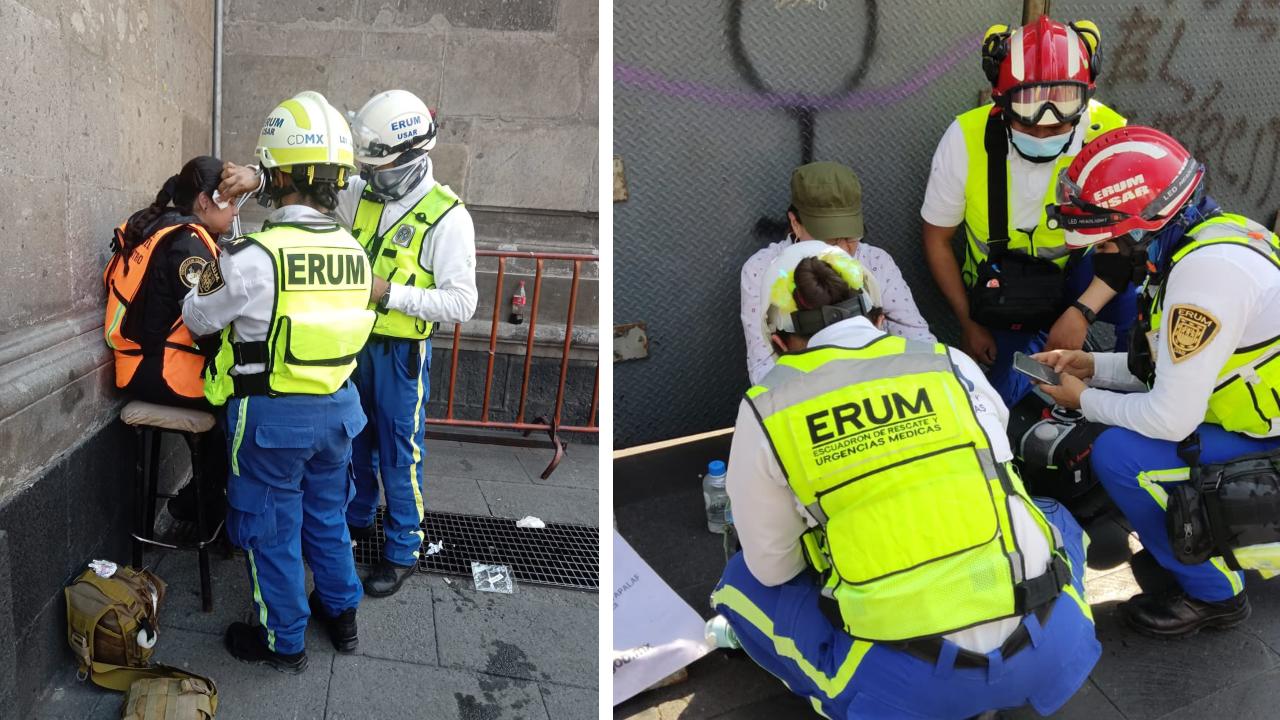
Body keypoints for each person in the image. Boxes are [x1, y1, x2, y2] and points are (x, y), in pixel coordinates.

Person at [714, 241, 1100, 718]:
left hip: (910, 689)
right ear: (878, 317)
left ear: (778, 343)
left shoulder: (767, 408)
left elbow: (774, 568)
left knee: (740, 584)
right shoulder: (949, 363)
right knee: (1052, 515)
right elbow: (994, 443)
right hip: (1048, 652)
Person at [218, 90, 478, 598]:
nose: (367, 178)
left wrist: (389, 294)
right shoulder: (364, 191)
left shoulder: (448, 218)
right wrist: (260, 174)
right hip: (350, 343)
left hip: (401, 355)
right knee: (353, 442)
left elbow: (462, 303)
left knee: (400, 455)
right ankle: (356, 523)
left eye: (379, 168)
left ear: (413, 155)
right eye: (366, 167)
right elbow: (316, 174)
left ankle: (404, 548)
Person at [1034, 126, 1280, 638]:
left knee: (1120, 454)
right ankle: (1188, 542)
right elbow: (1172, 367)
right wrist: (1093, 367)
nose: (1101, 251)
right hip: (1258, 414)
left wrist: (1086, 401)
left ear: (1140, 229)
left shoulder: (1204, 279)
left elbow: (1172, 417)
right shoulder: (1210, 239)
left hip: (1267, 435)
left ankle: (1215, 595)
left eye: (1105, 239)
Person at [182, 91, 376, 671]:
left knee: (271, 528)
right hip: (339, 411)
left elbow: (197, 315)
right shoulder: (354, 252)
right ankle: (342, 615)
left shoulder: (253, 256)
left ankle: (282, 640)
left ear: (275, 177)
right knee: (325, 515)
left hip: (272, 419)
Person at [920, 16, 1136, 406]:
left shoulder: (1109, 134)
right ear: (997, 99)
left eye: (1057, 127)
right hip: (1002, 285)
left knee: (1136, 301)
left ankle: (1131, 388)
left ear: (1088, 95)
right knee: (1001, 399)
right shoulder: (965, 137)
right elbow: (937, 238)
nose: (1043, 132)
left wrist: (1081, 313)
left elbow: (1125, 242)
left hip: (1082, 276)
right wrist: (968, 322)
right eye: (1028, 124)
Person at [103, 156, 237, 522]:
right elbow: (207, 321)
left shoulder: (162, 228)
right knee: (243, 406)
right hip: (159, 371)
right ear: (206, 201)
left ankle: (204, 504)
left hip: (140, 365)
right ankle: (199, 508)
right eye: (231, 200)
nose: (235, 209)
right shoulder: (187, 243)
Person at [741, 161, 933, 385]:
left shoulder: (876, 261)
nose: (842, 248)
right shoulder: (763, 270)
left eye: (851, 236)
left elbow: (918, 338)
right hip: (804, 396)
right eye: (829, 238)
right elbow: (764, 365)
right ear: (795, 223)